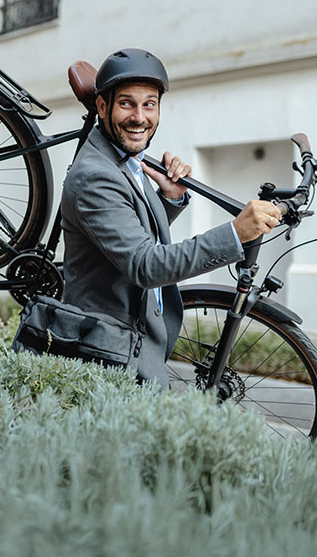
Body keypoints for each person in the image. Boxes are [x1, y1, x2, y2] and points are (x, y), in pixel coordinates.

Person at [59, 48, 283, 387]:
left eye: (149, 104)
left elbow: (124, 233)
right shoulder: (95, 176)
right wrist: (235, 233)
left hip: (134, 339)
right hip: (108, 355)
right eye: (126, 104)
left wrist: (169, 198)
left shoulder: (124, 160)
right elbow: (146, 265)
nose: (139, 117)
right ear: (103, 107)